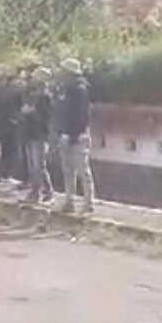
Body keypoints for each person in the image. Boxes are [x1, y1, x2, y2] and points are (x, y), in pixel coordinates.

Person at [59, 58, 96, 214]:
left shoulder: (80, 89)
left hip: (78, 135)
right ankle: (69, 201)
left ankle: (88, 202)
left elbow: (81, 115)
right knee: (68, 170)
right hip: (67, 133)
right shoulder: (67, 90)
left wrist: (73, 134)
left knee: (82, 169)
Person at [22, 67, 55, 205]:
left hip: (40, 134)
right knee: (35, 165)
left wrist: (30, 112)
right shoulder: (35, 95)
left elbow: (45, 117)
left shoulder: (45, 97)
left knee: (38, 165)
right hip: (31, 133)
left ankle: (36, 193)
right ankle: (47, 190)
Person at [0, 74, 25, 181]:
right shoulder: (16, 93)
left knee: (5, 150)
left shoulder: (2, 91)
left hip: (1, 124)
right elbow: (17, 109)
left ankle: (3, 174)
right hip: (11, 124)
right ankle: (7, 174)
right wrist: (16, 119)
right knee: (12, 150)